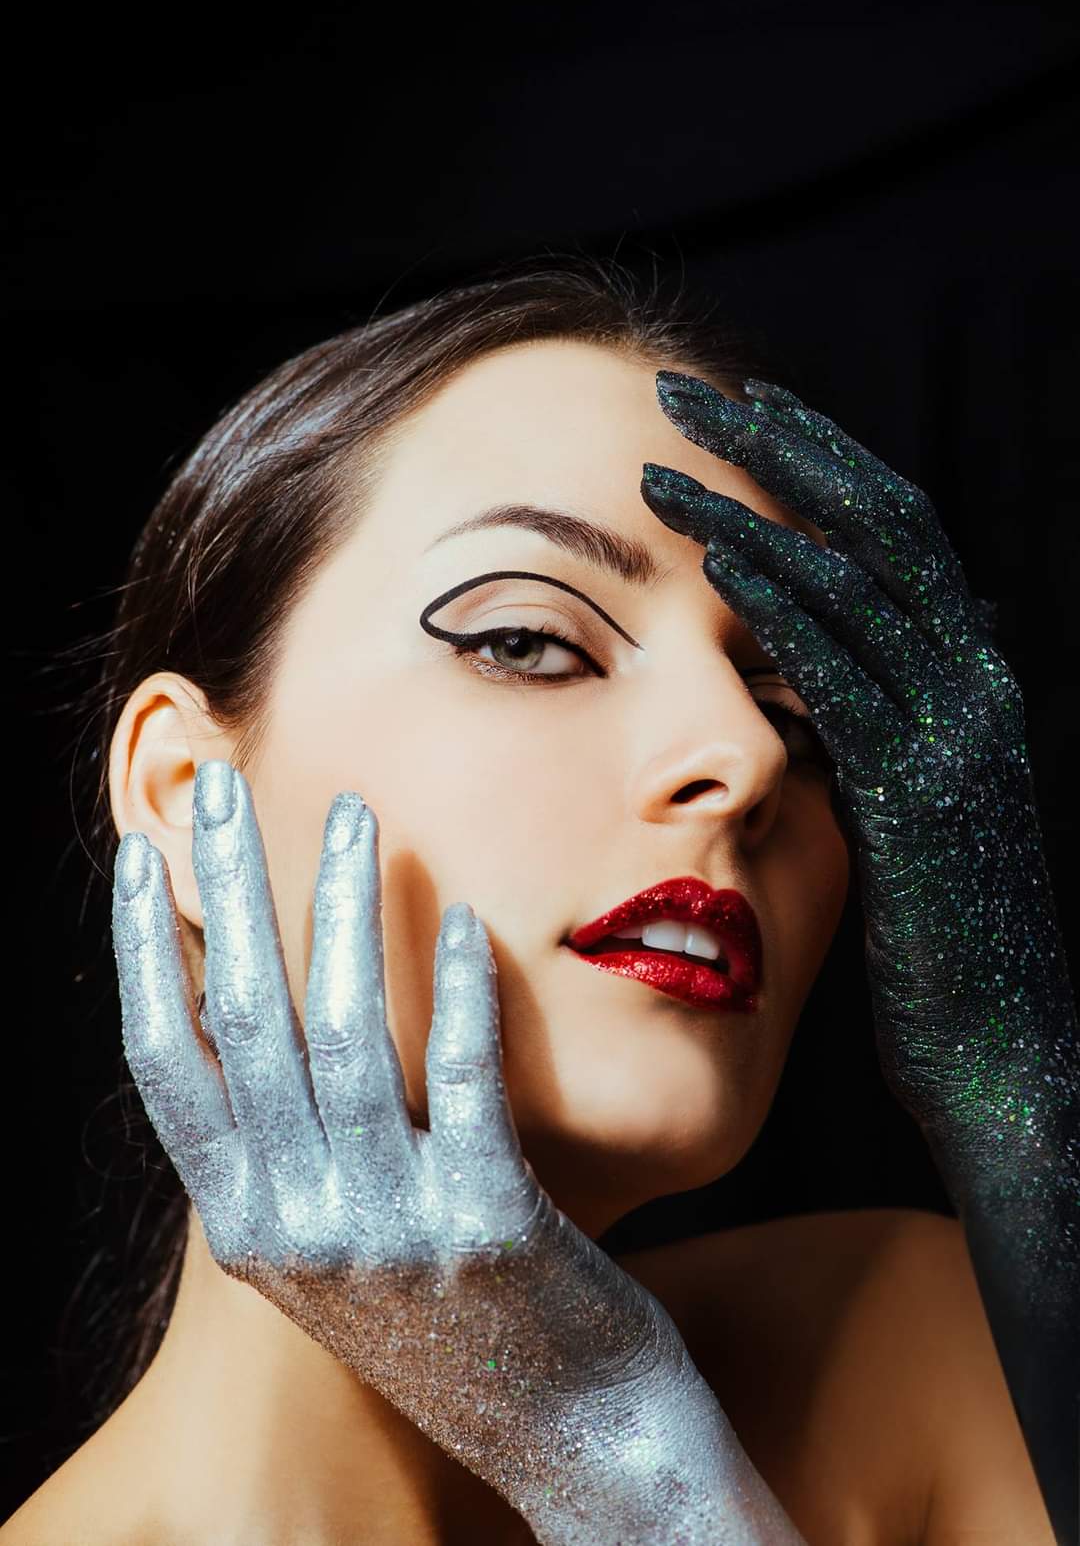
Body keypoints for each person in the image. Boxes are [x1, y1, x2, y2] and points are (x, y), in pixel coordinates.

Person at [3, 258, 1067, 1544]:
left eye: (797, 713)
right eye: (529, 642)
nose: (746, 759)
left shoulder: (914, 1358)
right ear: (184, 794)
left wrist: (639, 1477)